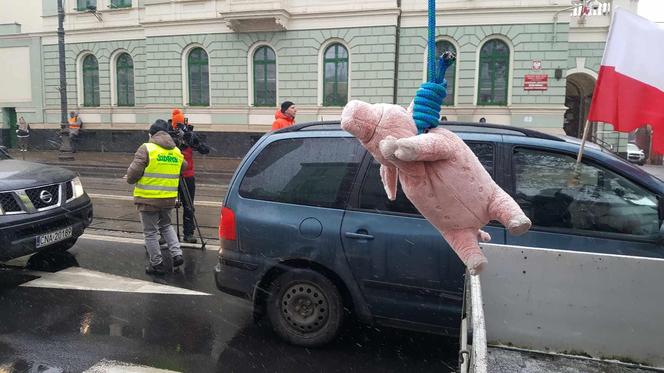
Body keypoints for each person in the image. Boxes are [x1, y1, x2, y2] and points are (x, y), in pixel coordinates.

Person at [126, 119, 187, 275]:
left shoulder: (146, 148)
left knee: (150, 232)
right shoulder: (175, 151)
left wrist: (129, 178)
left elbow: (132, 175)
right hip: (168, 198)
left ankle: (157, 264)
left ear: (151, 134)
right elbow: (184, 166)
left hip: (149, 199)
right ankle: (177, 254)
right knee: (166, 226)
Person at [171, 109, 210, 244]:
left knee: (188, 205)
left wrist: (192, 140)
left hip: (187, 175)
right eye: (177, 125)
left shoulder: (189, 135)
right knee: (166, 205)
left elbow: (205, 150)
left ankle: (188, 233)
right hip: (171, 175)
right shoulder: (167, 134)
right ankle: (166, 233)